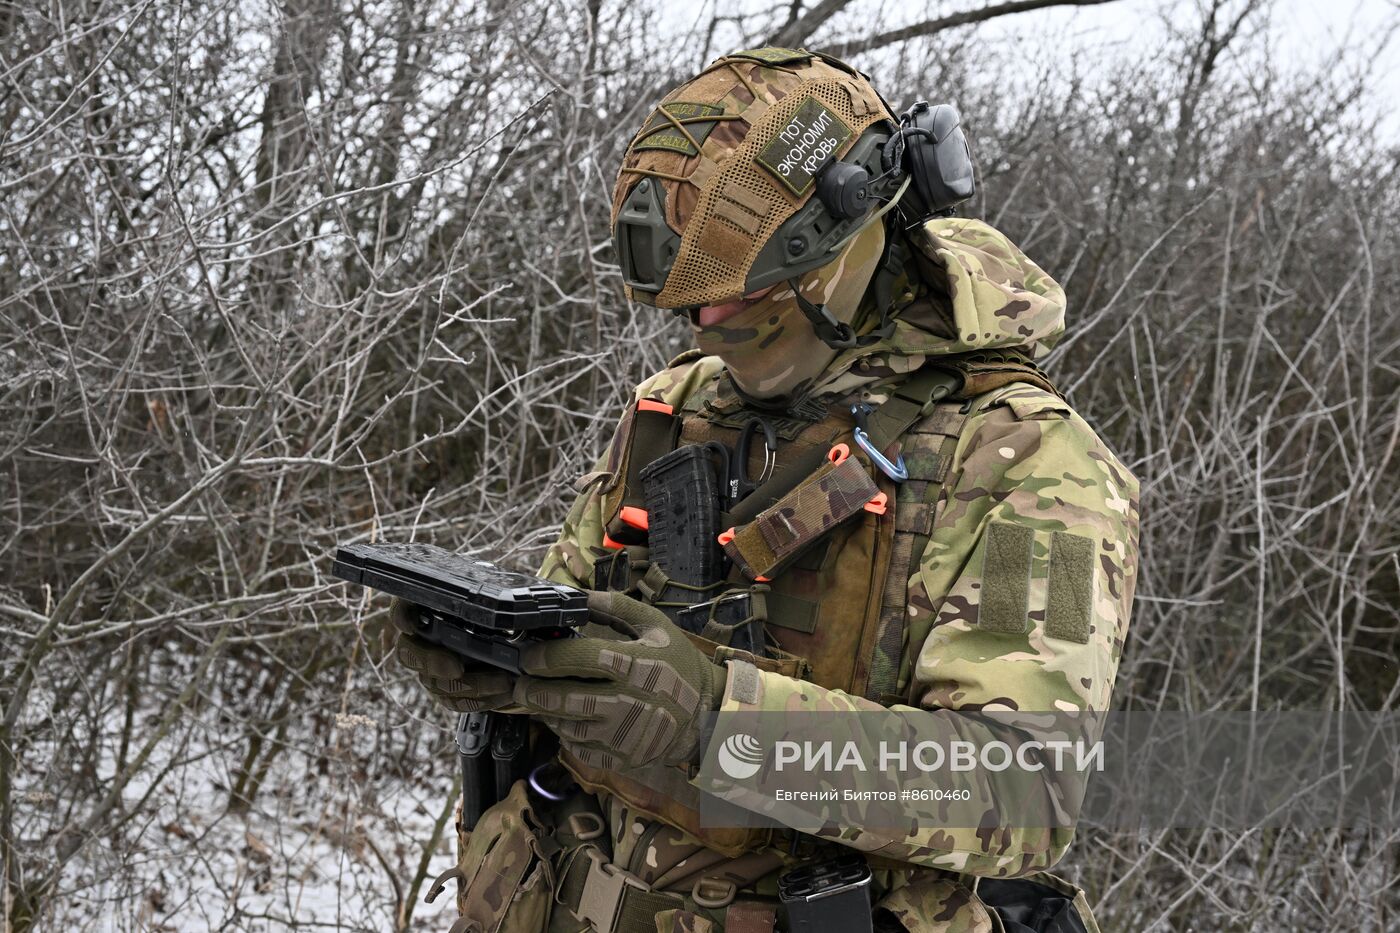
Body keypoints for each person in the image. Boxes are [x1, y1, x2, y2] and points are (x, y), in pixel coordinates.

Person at [395, 47, 1139, 933]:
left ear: (854, 234)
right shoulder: (679, 407)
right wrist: (505, 660)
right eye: (690, 308)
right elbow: (579, 623)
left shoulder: (1030, 463)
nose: (709, 330)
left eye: (744, 300)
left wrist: (717, 724)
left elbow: (1025, 788)